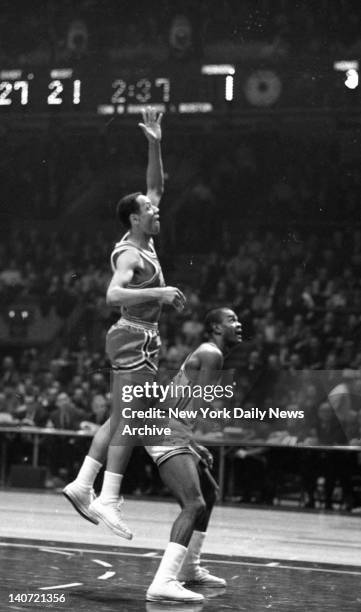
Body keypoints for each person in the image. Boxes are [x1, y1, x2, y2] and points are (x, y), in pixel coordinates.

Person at [63, 107, 185, 536]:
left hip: (139, 340)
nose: (156, 208)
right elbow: (113, 295)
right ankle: (109, 499)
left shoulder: (144, 241)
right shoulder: (131, 253)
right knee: (129, 420)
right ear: (135, 218)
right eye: (148, 209)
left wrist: (154, 142)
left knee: (120, 420)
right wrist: (160, 293)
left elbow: (156, 184)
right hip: (133, 337)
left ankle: (82, 484)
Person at [143, 307, 242, 602]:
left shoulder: (209, 353)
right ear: (216, 328)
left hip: (172, 427)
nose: (239, 324)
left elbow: (187, 406)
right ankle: (163, 582)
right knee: (194, 503)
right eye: (232, 320)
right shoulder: (212, 354)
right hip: (165, 430)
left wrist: (194, 444)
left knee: (208, 493)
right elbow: (200, 403)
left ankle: (189, 569)